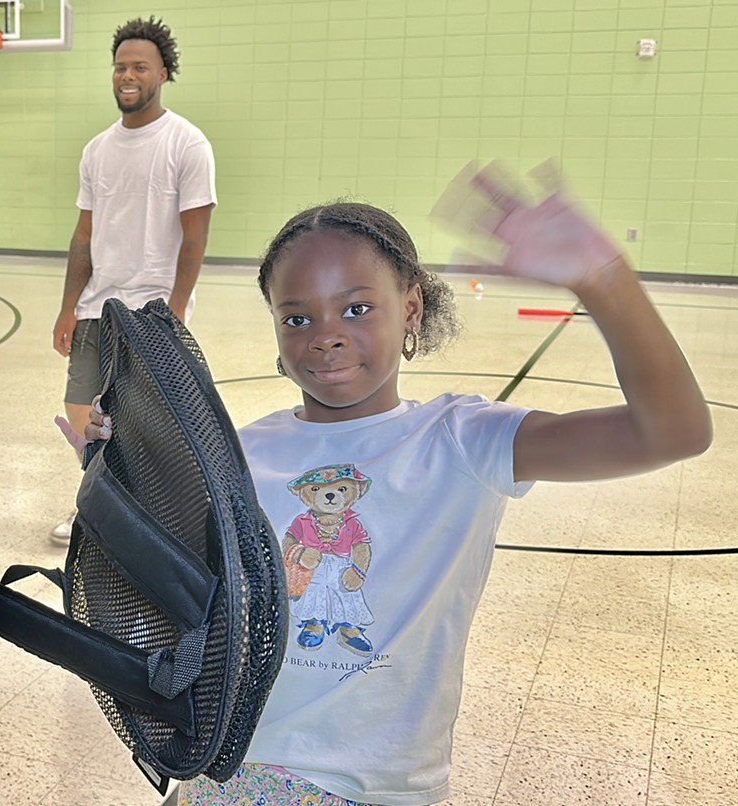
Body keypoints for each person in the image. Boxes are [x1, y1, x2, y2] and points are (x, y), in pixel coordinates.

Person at [80, 165, 711, 805]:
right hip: (236, 774)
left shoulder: (464, 440)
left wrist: (602, 280)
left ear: (410, 306)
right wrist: (120, 475)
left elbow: (672, 432)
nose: (325, 335)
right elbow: (173, 611)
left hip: (375, 788)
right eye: (296, 318)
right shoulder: (239, 452)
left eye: (357, 309)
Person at [50, 16, 216, 543]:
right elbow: (83, 235)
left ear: (163, 72)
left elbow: (194, 238)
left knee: (145, 420)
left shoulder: (187, 144)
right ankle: (100, 504)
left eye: (139, 66)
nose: (127, 75)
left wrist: (176, 307)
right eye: (120, 66)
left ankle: (148, 516)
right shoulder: (97, 150)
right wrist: (67, 306)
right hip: (96, 308)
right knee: (82, 410)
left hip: (151, 311)